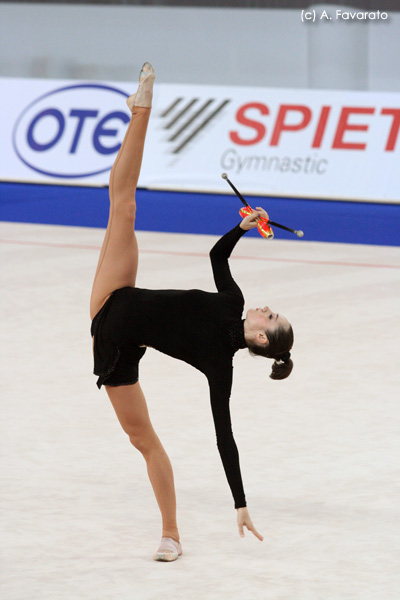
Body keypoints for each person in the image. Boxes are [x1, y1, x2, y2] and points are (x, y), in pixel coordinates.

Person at [90, 62, 294, 562]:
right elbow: (217, 257)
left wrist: (240, 504)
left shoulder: (220, 365)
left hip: (112, 342)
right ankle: (141, 109)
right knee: (123, 204)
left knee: (144, 441)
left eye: (272, 319)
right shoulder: (233, 301)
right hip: (119, 292)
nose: (267, 309)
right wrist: (243, 227)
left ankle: (171, 534)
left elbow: (225, 437)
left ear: (262, 340)